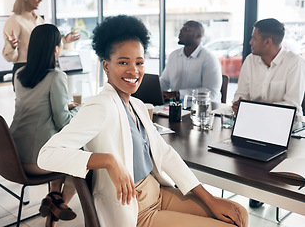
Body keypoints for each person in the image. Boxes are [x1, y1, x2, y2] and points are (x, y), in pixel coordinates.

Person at [37, 15, 248, 227]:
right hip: (134, 209)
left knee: (238, 213)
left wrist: (209, 200)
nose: (133, 70)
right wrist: (108, 161)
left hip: (157, 192)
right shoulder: (100, 106)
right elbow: (46, 155)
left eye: (139, 62)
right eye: (123, 62)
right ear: (106, 66)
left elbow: (166, 155)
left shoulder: (137, 105)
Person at [10, 24, 80, 227]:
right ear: (56, 49)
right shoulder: (56, 76)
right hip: (37, 161)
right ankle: (55, 211)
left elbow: (36, 107)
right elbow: (63, 121)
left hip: (12, 157)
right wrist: (77, 111)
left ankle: (53, 200)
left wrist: (63, 106)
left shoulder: (19, 74)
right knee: (82, 162)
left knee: (57, 147)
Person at [232, 18, 305, 208]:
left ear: (267, 41)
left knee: (266, 157)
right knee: (234, 154)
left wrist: (252, 109)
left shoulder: (294, 62)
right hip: (251, 127)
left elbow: (292, 104)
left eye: (253, 38)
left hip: (285, 131)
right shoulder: (250, 60)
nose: (250, 42)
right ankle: (253, 187)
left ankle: (266, 191)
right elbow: (242, 94)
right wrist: (239, 104)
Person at [2, 0, 80, 85]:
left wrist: (64, 41)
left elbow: (46, 44)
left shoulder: (39, 20)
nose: (40, 0)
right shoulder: (15, 20)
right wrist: (12, 47)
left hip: (41, 70)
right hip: (24, 72)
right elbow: (9, 58)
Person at [160, 20, 222, 103]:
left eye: (186, 29)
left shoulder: (209, 59)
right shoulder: (173, 55)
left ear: (198, 36)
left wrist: (178, 94)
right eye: (182, 28)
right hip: (176, 106)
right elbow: (164, 81)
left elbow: (211, 92)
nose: (181, 31)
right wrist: (156, 90)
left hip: (202, 109)